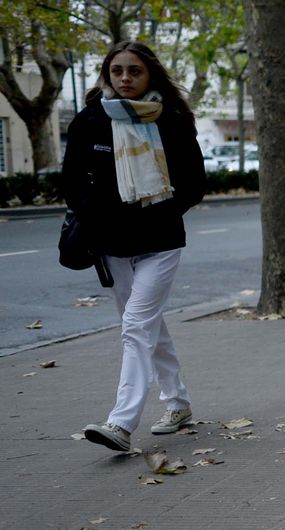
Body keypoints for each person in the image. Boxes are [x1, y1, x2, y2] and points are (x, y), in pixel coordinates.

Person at [63, 41, 205, 452]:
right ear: (107, 74)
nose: (125, 78)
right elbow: (72, 180)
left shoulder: (171, 119)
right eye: (117, 71)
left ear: (150, 75)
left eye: (134, 71)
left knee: (136, 326)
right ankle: (177, 402)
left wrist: (158, 207)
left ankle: (121, 423)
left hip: (160, 241)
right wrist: (97, 211)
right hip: (109, 244)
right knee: (147, 325)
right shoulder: (91, 120)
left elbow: (195, 182)